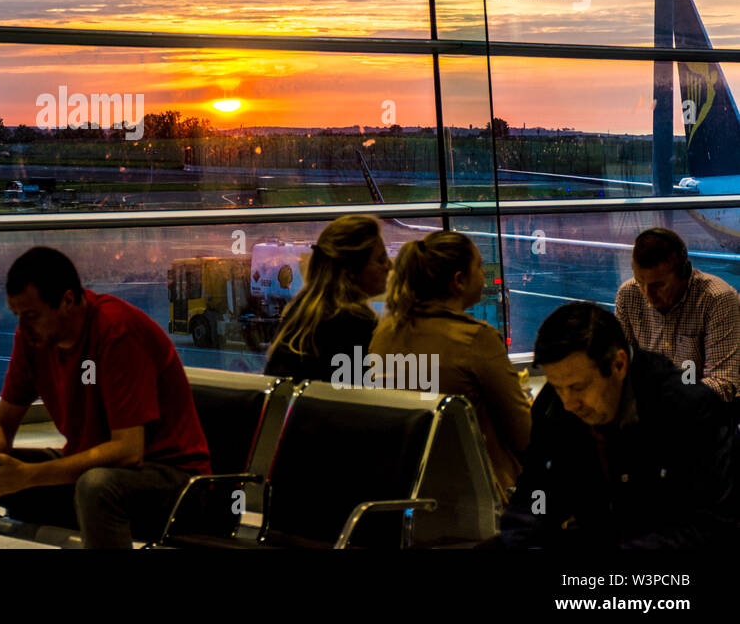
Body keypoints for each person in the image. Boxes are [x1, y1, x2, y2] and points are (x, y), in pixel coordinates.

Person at [0, 246, 211, 549]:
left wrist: (28, 476)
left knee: (97, 486)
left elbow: (128, 450)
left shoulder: (117, 331)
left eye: (31, 315)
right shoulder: (34, 338)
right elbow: (2, 422)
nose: (22, 327)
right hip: (89, 479)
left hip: (173, 485)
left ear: (67, 300)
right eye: (17, 316)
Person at [500, 301, 740, 548]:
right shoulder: (554, 407)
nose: (569, 403)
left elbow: (714, 524)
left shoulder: (687, 410)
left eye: (578, 388)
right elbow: (537, 493)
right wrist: (523, 535)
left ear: (619, 365)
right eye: (558, 387)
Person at [369, 231, 531, 503]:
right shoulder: (476, 339)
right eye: (479, 266)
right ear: (459, 281)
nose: (484, 274)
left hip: (406, 493)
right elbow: (524, 436)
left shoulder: (384, 335)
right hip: (478, 498)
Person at [614, 227, 740, 403]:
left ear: (684, 273)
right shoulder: (628, 294)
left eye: (658, 285)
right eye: (640, 282)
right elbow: (621, 365)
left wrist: (666, 401)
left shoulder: (716, 299)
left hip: (705, 411)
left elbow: (723, 383)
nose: (647, 295)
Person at [263, 214, 391, 382]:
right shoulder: (355, 324)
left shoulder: (302, 309)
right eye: (381, 260)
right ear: (351, 270)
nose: (389, 266)